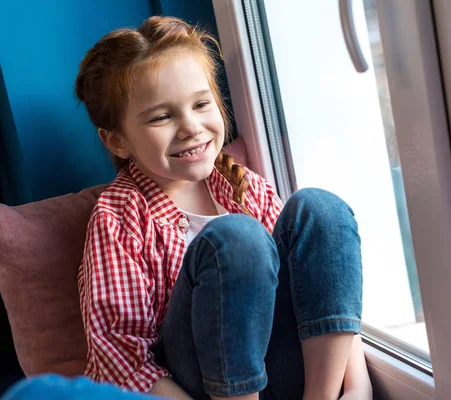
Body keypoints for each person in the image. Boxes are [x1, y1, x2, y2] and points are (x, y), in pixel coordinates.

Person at [73, 15, 370, 400]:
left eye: (201, 104)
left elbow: (323, 287)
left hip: (284, 367)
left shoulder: (243, 187)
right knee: (237, 239)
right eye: (162, 116)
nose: (191, 127)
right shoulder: (119, 216)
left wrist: (357, 384)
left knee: (321, 209)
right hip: (198, 385)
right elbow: (120, 359)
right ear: (117, 141)